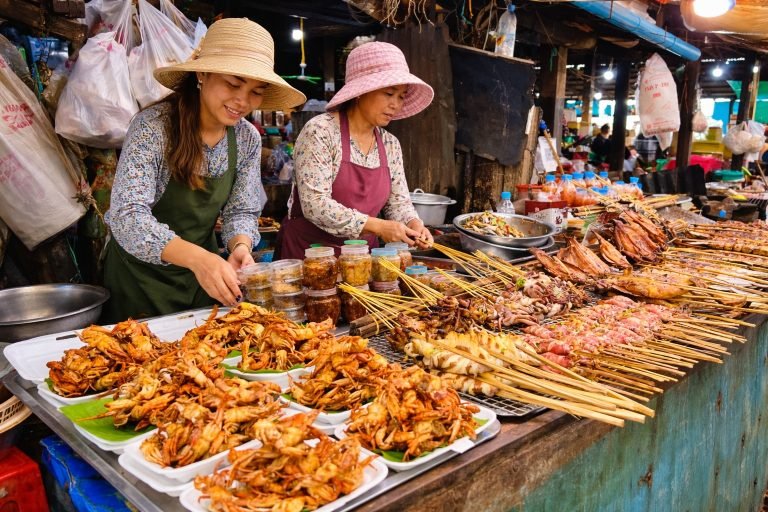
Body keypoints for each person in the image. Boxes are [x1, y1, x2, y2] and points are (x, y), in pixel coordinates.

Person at [103, 19, 306, 322]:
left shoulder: (247, 138)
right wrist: (199, 259)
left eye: (256, 91)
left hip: (202, 280)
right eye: (234, 83)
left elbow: (242, 210)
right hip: (139, 282)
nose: (243, 100)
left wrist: (240, 245)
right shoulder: (154, 127)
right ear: (201, 73)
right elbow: (127, 216)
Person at [276, 42, 434, 259]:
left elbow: (398, 202)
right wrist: (379, 227)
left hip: (360, 260)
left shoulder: (390, 145)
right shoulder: (321, 132)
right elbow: (315, 205)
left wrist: (413, 223)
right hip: (307, 256)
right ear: (361, 92)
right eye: (389, 93)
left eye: (401, 96)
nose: (396, 104)